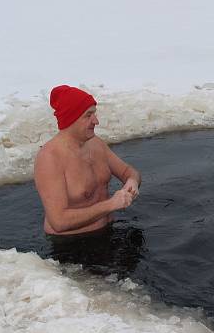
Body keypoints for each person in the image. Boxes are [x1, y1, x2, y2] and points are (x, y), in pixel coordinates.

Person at [34, 85, 141, 235]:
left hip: (109, 231)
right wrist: (110, 205)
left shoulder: (95, 143)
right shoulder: (50, 158)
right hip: (71, 246)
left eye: (94, 114)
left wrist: (132, 181)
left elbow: (128, 171)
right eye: (88, 115)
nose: (96, 121)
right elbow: (58, 222)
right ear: (71, 118)